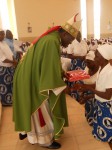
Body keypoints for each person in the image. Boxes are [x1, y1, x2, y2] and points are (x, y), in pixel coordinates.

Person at [13, 14, 80, 149]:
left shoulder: (51, 38)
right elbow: (49, 72)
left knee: (30, 104)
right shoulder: (52, 41)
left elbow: (49, 63)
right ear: (65, 34)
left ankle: (27, 131)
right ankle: (44, 140)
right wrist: (62, 87)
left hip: (27, 75)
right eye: (71, 40)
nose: (70, 43)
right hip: (33, 80)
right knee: (41, 106)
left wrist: (62, 73)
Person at [0, 28, 18, 106]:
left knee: (11, 84)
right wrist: (13, 62)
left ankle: (11, 100)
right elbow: (2, 59)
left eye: (3, 34)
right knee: (5, 85)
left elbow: (10, 53)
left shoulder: (4, 43)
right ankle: (5, 102)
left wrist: (14, 60)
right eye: (2, 34)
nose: (4, 36)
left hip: (10, 67)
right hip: (3, 69)